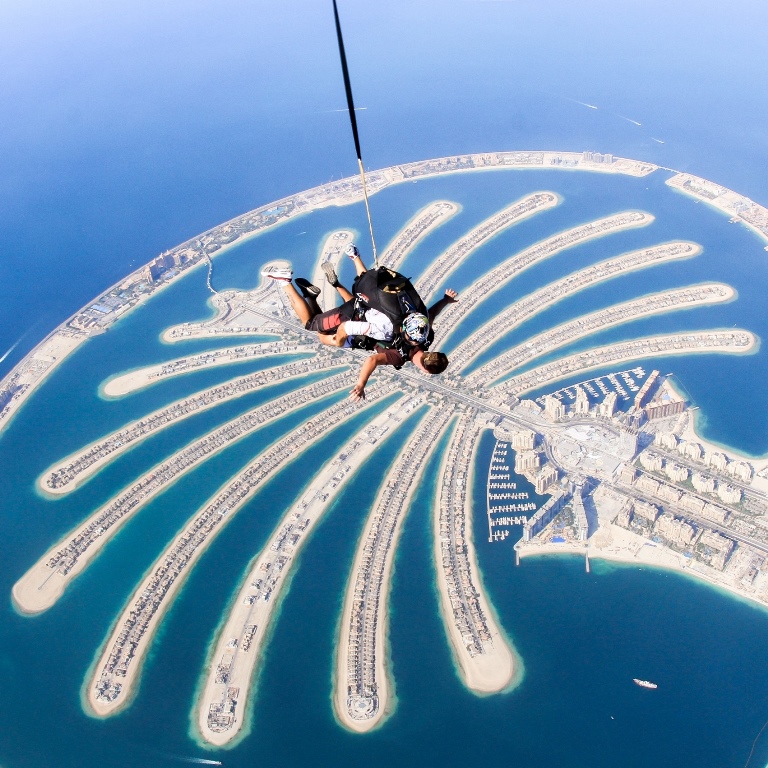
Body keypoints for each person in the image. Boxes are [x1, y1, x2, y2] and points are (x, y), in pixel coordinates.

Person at [262, 244, 458, 401]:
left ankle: (346, 265)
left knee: (361, 290)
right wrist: (359, 381)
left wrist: (445, 301)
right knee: (312, 325)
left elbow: (430, 315)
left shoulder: (424, 335)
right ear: (425, 370)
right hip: (353, 319)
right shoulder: (398, 355)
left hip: (364, 309)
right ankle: (285, 281)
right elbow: (367, 353)